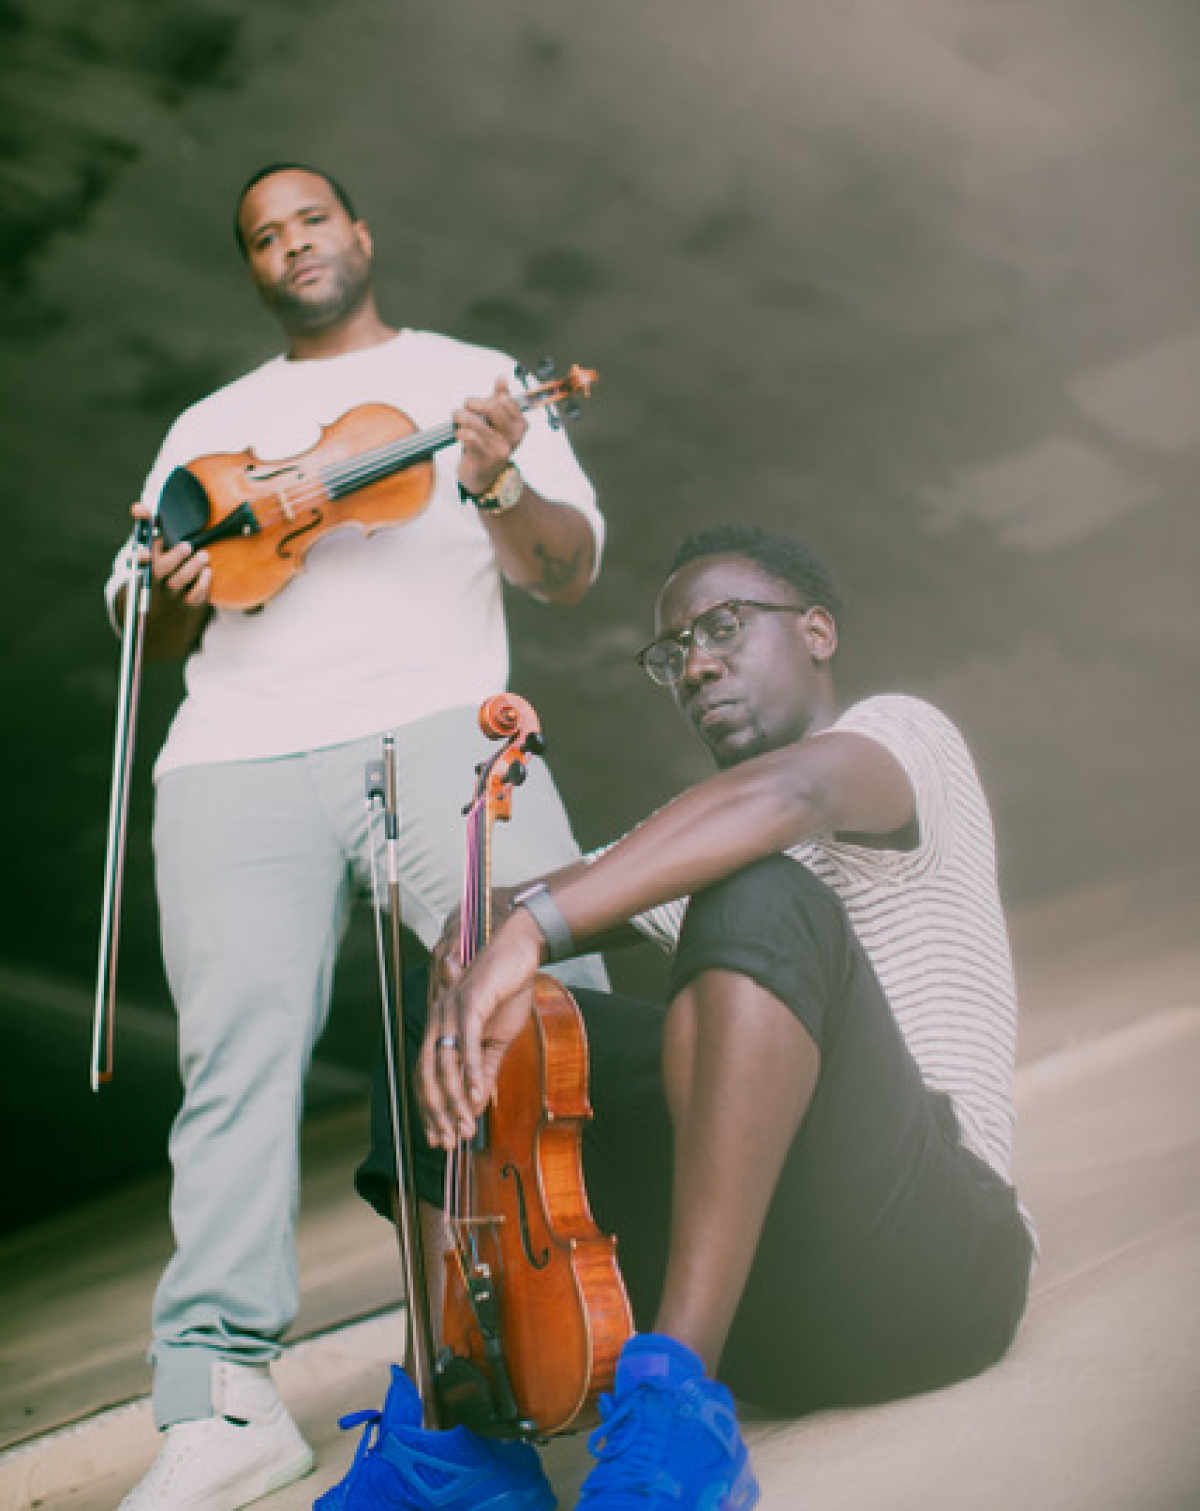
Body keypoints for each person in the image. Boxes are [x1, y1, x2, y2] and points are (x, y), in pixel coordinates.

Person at [334, 523, 1036, 1511]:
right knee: (431, 1004)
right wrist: (473, 940)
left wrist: (535, 921)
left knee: (758, 888)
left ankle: (674, 1412)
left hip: (932, 1263)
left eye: (726, 626)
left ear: (819, 630)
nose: (697, 663)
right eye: (675, 652)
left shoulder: (905, 738)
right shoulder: (702, 833)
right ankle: (452, 1434)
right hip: (781, 1320)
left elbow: (790, 795)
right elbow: (519, 907)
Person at [105, 164, 609, 1511]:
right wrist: (175, 589)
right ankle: (220, 1398)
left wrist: (495, 483)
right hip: (233, 756)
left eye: (309, 219)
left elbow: (567, 565)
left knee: (563, 1000)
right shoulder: (206, 426)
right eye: (262, 235)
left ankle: (620, 1312)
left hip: (442, 724)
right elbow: (142, 628)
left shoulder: (467, 378)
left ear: (360, 235)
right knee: (234, 1063)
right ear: (254, 268)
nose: (290, 244)